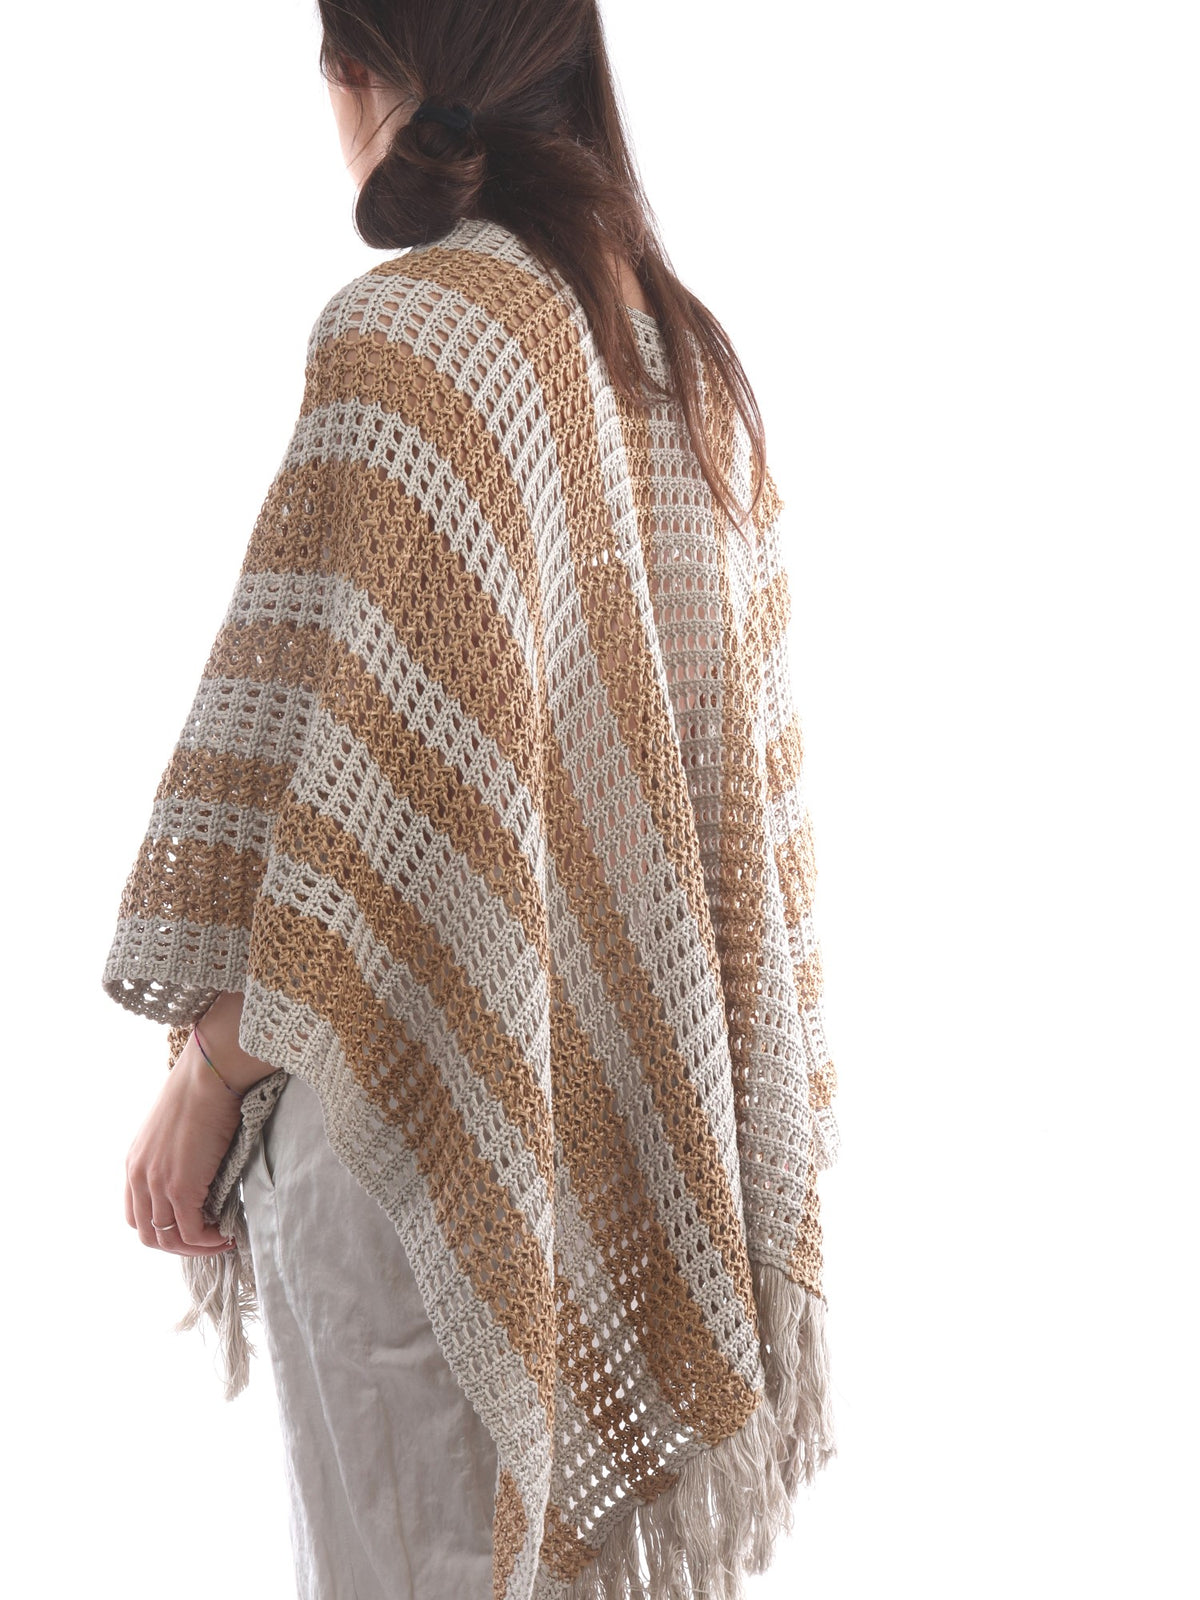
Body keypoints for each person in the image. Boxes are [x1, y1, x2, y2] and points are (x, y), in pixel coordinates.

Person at [109, 4, 841, 1598]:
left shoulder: (414, 336)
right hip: (610, 1122)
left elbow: (362, 823)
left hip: (416, 1114)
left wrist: (209, 1071)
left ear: (361, 64)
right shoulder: (684, 356)